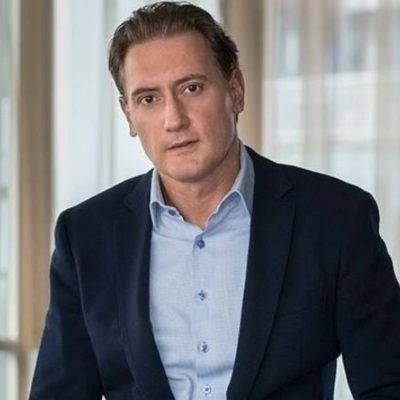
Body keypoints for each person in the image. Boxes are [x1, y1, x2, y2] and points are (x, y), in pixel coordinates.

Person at [30, 2, 400, 399]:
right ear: (128, 115)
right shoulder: (86, 236)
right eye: (149, 99)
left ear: (235, 91)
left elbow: (388, 385)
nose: (174, 119)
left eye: (191, 88)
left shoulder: (335, 219)